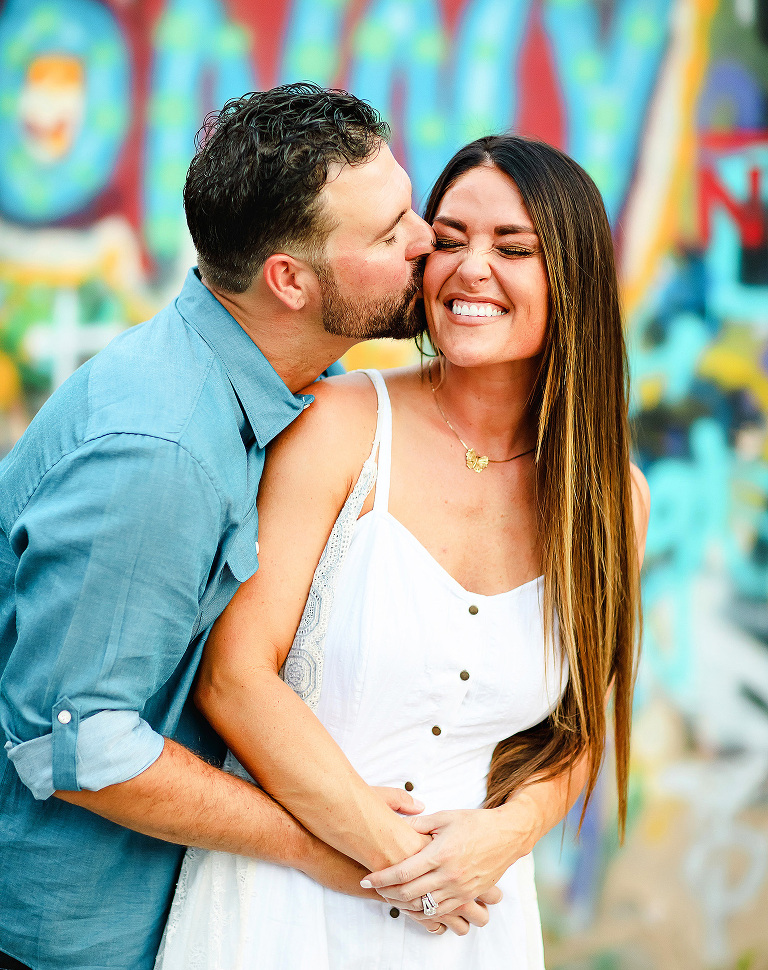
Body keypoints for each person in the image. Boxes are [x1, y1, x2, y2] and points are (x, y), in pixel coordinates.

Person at [153, 135, 650, 969]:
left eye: (513, 249)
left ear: (574, 277)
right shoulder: (338, 425)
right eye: (449, 240)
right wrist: (398, 858)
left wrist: (510, 832)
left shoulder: (611, 498)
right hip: (285, 913)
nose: (471, 269)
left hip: (472, 922)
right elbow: (234, 678)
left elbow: (580, 728)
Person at [0, 83, 438, 970]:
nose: (427, 240)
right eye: (390, 234)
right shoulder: (162, 453)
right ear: (290, 281)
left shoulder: (276, 391)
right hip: (68, 946)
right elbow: (79, 747)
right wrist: (314, 841)